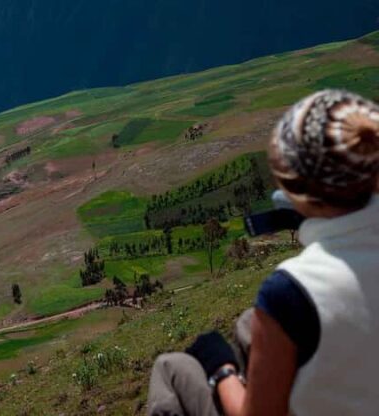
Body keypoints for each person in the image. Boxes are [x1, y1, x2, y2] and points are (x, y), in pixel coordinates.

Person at [147, 89, 379, 416]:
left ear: (294, 192)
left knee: (171, 367)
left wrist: (221, 370)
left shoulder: (293, 291)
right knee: (247, 324)